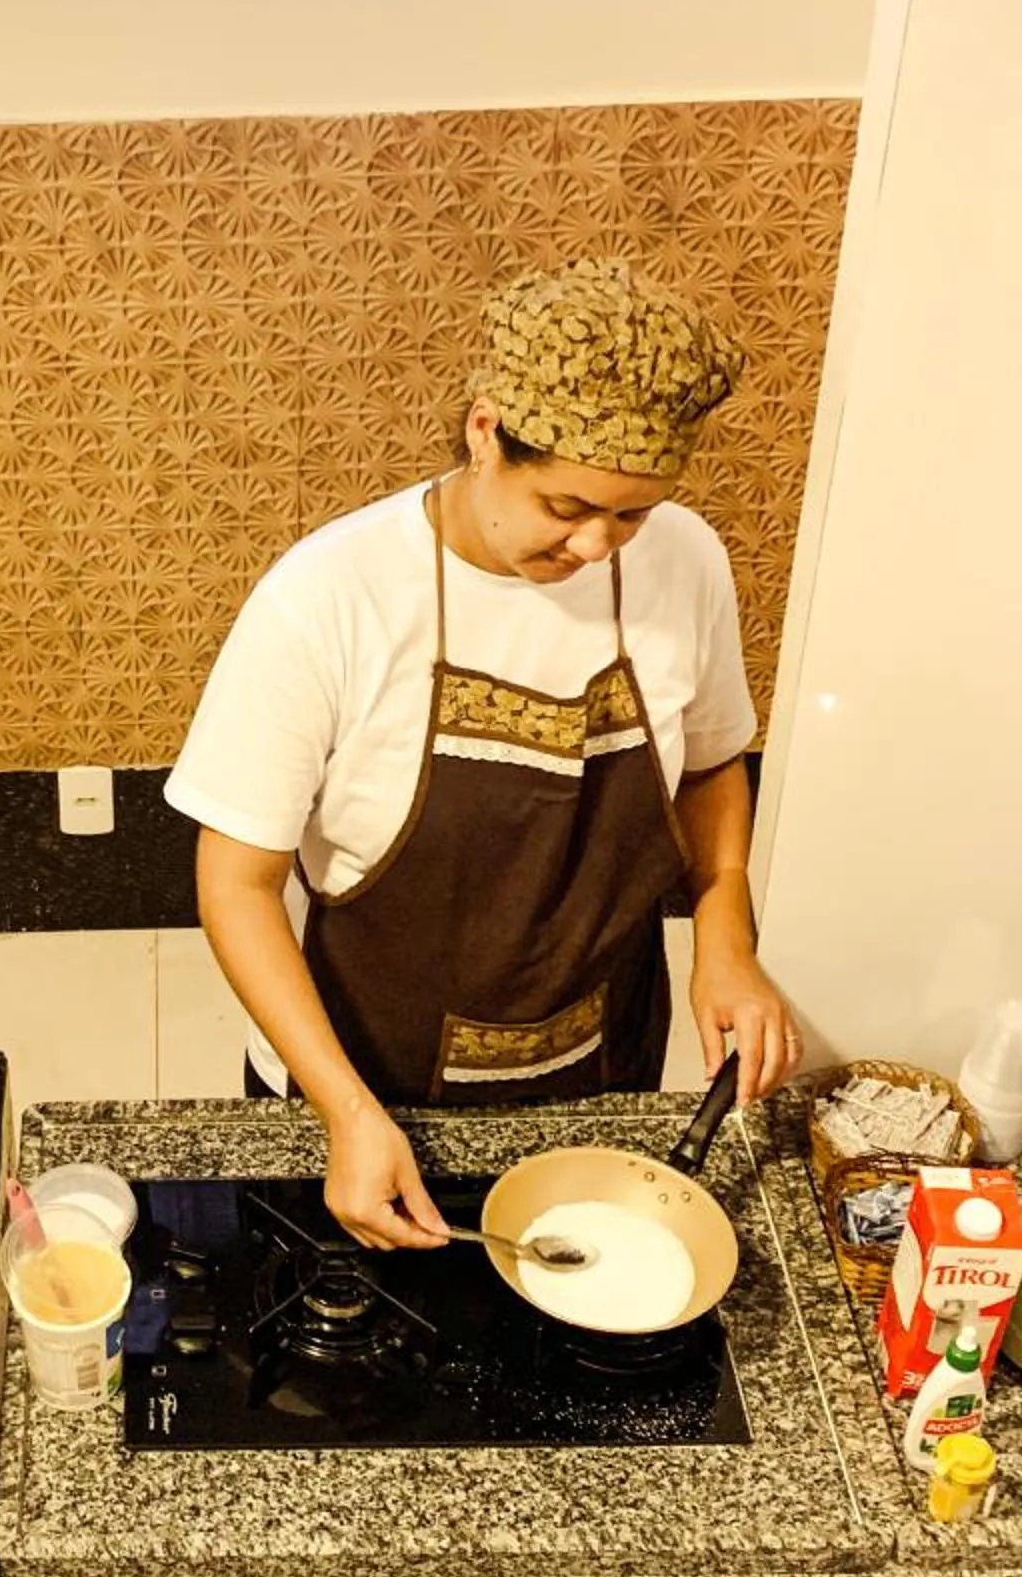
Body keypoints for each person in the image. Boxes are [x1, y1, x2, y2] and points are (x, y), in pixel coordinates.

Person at [164, 258, 803, 1252]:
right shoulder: (330, 598)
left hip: (598, 1056)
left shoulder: (685, 560)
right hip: (367, 1078)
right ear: (483, 432)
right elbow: (235, 884)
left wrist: (727, 932)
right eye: (564, 506)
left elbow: (714, 760)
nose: (600, 545)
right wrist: (345, 1112)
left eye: (631, 513)